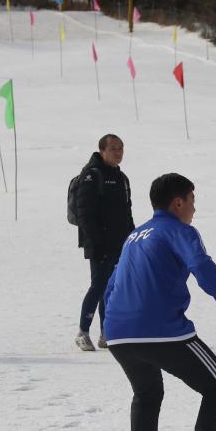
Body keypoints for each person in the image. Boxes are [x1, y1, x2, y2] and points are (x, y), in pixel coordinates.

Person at [103, 173, 216, 431]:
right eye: (192, 201)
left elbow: (112, 284)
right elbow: (202, 267)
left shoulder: (134, 236)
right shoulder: (180, 231)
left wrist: (108, 326)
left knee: (146, 394)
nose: (194, 210)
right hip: (159, 330)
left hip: (117, 333)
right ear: (178, 202)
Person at [75, 134, 134, 351]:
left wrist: (132, 238)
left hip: (119, 243)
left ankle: (106, 332)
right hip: (99, 244)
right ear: (102, 150)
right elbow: (85, 214)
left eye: (121, 148)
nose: (118, 153)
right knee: (99, 286)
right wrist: (96, 242)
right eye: (113, 149)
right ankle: (82, 332)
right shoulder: (92, 176)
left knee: (113, 288)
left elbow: (127, 213)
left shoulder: (122, 178)